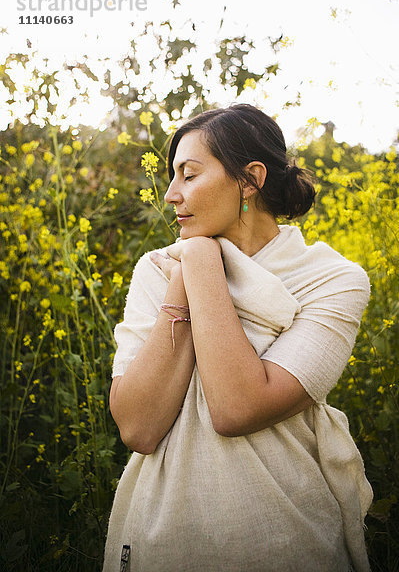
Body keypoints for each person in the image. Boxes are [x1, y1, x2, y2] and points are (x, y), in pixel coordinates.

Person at [102, 104, 373, 572]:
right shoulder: (156, 269)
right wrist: (189, 269)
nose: (170, 195)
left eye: (188, 175)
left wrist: (201, 263)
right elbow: (138, 428)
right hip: (163, 536)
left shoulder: (334, 279)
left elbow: (237, 407)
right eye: (171, 176)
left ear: (250, 179)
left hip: (288, 533)